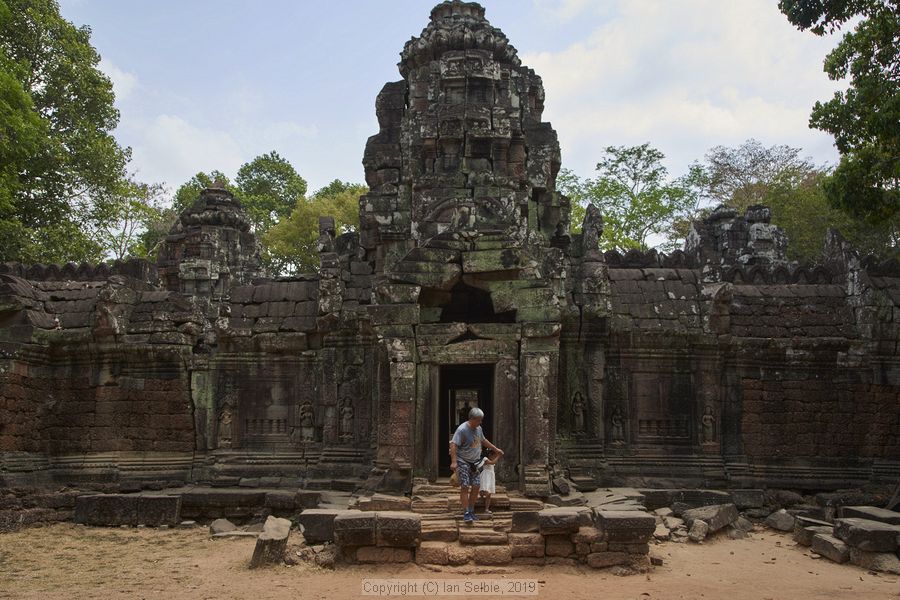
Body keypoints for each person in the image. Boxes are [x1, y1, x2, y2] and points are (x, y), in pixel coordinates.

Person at [449, 407, 503, 523]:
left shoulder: (478, 428)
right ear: (472, 419)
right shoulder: (462, 429)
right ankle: (466, 512)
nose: (480, 422)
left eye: (481, 420)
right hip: (463, 461)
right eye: (478, 420)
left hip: (475, 463)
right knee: (464, 486)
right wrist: (454, 462)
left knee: (476, 486)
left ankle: (472, 510)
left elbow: (483, 440)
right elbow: (453, 444)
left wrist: (495, 448)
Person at [477, 448, 500, 515]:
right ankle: (482, 497)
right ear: (490, 454)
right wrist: (499, 456)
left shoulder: (490, 459)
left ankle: (486, 508)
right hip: (486, 475)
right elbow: (492, 463)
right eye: (494, 455)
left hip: (491, 476)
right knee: (486, 490)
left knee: (488, 492)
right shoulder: (485, 459)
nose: (494, 457)